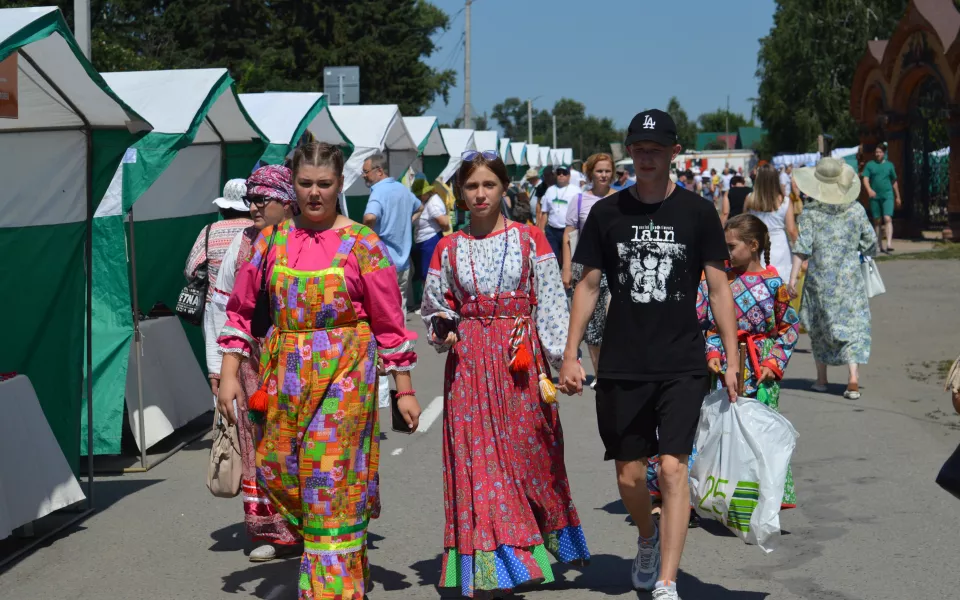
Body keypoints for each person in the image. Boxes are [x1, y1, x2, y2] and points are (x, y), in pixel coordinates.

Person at [217, 142, 422, 599]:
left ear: (339, 184)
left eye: (324, 184)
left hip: (346, 373)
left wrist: (403, 387)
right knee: (278, 467)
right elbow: (241, 311)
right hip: (285, 374)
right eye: (305, 183)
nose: (314, 193)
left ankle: (332, 588)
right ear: (293, 185)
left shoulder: (363, 244)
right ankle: (345, 552)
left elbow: (390, 321)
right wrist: (229, 372)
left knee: (328, 478)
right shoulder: (270, 241)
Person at [559, 109, 739, 600]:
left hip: (683, 360)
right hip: (622, 361)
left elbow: (720, 290)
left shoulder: (698, 212)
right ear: (628, 153)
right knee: (630, 474)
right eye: (639, 148)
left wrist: (732, 354)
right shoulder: (607, 213)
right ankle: (646, 535)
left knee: (674, 467)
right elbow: (589, 284)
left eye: (656, 148)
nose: (646, 156)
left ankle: (667, 578)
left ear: (674, 153)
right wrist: (571, 353)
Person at [421, 150, 590, 598]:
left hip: (521, 362)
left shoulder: (532, 239)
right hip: (470, 365)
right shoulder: (448, 247)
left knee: (528, 454)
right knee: (480, 463)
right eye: (472, 186)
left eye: (488, 185)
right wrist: (444, 328)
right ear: (460, 192)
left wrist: (566, 360)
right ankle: (500, 563)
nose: (480, 194)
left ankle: (536, 537)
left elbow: (553, 301)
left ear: (503, 189)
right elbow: (435, 304)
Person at [205, 165, 300, 561]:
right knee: (257, 441)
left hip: (301, 362)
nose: (253, 207)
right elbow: (220, 303)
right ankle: (270, 530)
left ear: (286, 201)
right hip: (252, 365)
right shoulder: (243, 243)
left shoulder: (309, 241)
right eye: (250, 200)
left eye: (261, 199)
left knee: (302, 440)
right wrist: (218, 368)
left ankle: (312, 523)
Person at [697, 214, 801, 508]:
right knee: (724, 431)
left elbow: (789, 326)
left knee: (761, 432)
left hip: (760, 367)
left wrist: (773, 363)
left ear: (753, 245)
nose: (726, 254)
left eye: (731, 247)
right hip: (725, 369)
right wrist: (714, 352)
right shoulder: (717, 280)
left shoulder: (774, 285)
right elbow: (711, 324)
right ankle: (728, 494)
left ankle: (768, 495)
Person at [788, 157, 877, 400]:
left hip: (820, 280)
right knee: (853, 326)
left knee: (820, 327)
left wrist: (793, 279)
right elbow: (871, 244)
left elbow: (801, 248)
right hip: (849, 279)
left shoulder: (811, 212)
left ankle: (821, 379)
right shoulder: (856, 210)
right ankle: (853, 379)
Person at [185, 179, 254, 394]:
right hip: (251, 312)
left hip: (217, 312)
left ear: (224, 206)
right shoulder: (259, 231)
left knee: (219, 369)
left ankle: (225, 419)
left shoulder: (210, 231)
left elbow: (191, 269)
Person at [562, 153, 616, 385]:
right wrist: (566, 268)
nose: (603, 175)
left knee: (615, 323)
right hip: (587, 270)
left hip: (616, 269)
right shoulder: (580, 201)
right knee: (593, 328)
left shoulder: (622, 198)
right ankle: (601, 374)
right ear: (590, 174)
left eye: (607, 171)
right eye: (599, 171)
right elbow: (569, 235)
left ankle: (617, 370)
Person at [361, 152, 421, 312]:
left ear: (379, 171)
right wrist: (407, 222)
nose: (363, 176)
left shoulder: (378, 192)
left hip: (384, 262)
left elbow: (369, 217)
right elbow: (420, 207)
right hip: (404, 262)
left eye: (366, 172)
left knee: (384, 311)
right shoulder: (403, 189)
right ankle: (403, 338)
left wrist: (364, 237)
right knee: (400, 308)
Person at [746, 164, 798, 280]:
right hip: (779, 243)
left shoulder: (750, 198)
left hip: (757, 242)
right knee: (780, 282)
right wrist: (801, 254)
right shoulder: (785, 201)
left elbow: (744, 223)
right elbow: (792, 230)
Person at [862, 143, 901, 254]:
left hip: (888, 195)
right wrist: (869, 190)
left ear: (884, 153)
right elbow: (865, 178)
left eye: (880, 152)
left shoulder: (889, 165)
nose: (878, 154)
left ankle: (889, 244)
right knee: (877, 220)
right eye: (876, 152)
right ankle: (879, 245)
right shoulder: (870, 165)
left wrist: (898, 196)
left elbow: (894, 181)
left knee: (887, 218)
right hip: (875, 196)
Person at [539, 165, 581, 260]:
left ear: (569, 176)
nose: (561, 175)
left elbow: (580, 212)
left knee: (569, 258)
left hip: (569, 230)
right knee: (553, 258)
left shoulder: (576, 191)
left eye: (564, 173)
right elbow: (545, 212)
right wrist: (541, 230)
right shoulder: (550, 190)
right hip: (552, 230)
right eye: (558, 173)